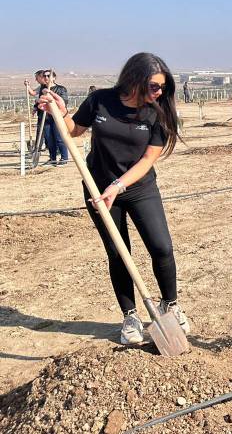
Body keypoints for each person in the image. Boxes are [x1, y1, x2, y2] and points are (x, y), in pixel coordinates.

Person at [37, 52, 189, 345]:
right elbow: (74, 131)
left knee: (162, 247)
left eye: (163, 87)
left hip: (139, 188)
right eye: (154, 86)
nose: (159, 92)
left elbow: (148, 159)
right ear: (134, 79)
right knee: (118, 252)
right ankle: (130, 316)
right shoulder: (100, 100)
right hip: (98, 189)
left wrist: (118, 185)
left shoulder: (157, 112)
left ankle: (170, 305)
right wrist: (62, 112)